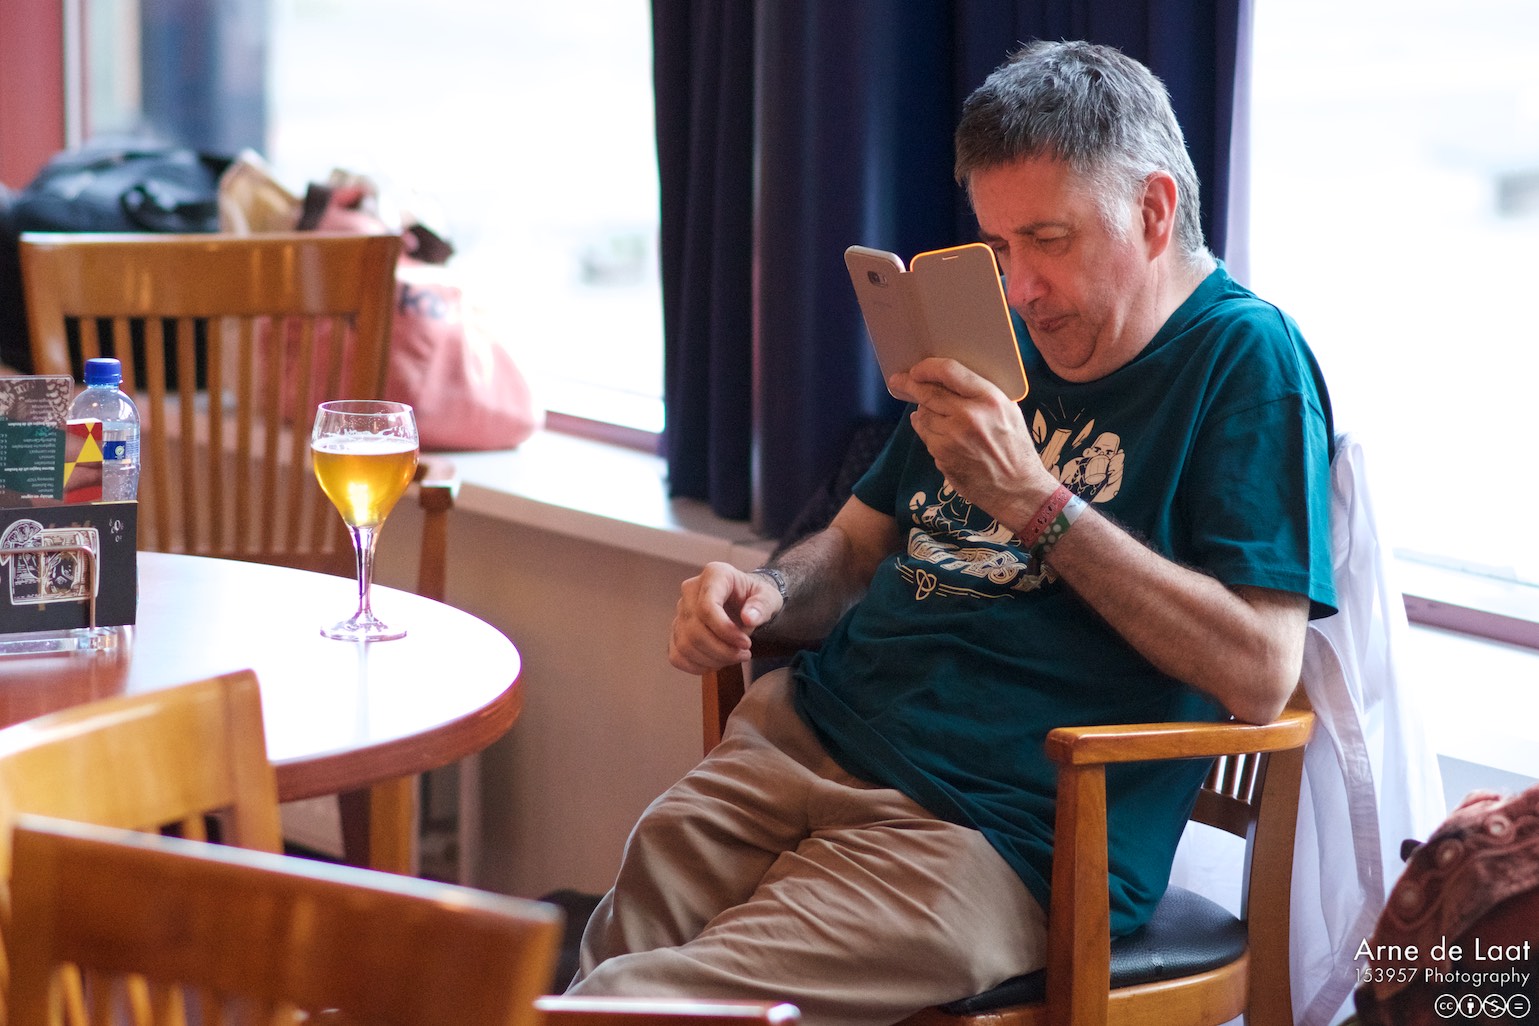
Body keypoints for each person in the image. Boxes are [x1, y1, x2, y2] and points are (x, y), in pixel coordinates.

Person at [566, 39, 1337, 1026]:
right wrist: (764, 593)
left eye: (1048, 240)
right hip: (803, 736)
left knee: (634, 1006)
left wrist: (1036, 503)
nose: (1020, 289)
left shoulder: (1246, 362)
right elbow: (854, 549)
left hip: (994, 830)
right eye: (1000, 247)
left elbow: (1261, 672)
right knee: (605, 967)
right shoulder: (1002, 334)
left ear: (1153, 211)